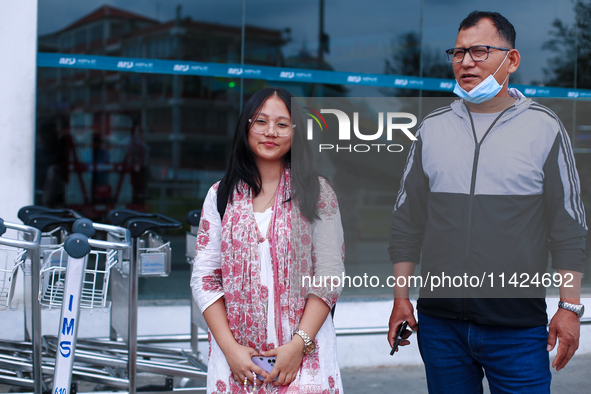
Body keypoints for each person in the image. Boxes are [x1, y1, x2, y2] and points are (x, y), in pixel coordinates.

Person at [387, 11, 587, 393]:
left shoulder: (545, 128)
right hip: (441, 327)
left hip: (517, 331)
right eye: (458, 52)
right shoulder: (433, 128)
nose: (465, 62)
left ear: (511, 60)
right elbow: (407, 222)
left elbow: (568, 229)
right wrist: (401, 298)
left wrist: (570, 306)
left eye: (479, 51)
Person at [191, 87, 345, 394]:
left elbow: (329, 275)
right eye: (260, 121)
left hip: (303, 356)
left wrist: (297, 346)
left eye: (282, 124)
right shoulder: (220, 195)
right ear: (246, 127)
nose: (270, 132)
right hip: (237, 359)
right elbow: (205, 278)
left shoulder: (317, 192)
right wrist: (230, 349)